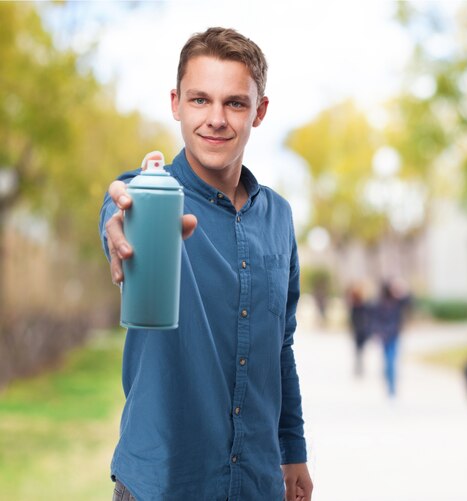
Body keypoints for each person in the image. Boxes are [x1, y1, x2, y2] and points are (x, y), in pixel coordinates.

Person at [100, 27, 313, 501]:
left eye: (235, 103)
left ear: (259, 112)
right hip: (162, 483)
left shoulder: (279, 216)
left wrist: (292, 450)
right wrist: (119, 229)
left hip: (258, 483)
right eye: (200, 100)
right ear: (176, 103)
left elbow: (282, 345)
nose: (215, 119)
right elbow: (116, 212)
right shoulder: (148, 197)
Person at [371, 280, 411, 397]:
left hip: (394, 335)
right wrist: (376, 333)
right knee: (387, 362)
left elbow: (410, 301)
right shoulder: (379, 303)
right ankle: (389, 383)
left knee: (391, 361)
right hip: (384, 336)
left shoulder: (397, 302)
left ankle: (392, 387)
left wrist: (401, 290)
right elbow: (374, 320)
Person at [346, 283, 372, 377]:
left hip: (361, 331)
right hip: (360, 331)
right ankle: (359, 369)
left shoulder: (361, 306)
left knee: (359, 350)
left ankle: (359, 368)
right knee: (359, 350)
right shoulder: (356, 306)